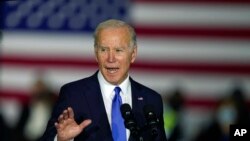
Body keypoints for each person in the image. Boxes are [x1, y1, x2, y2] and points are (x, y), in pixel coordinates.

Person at [41, 19, 167, 141]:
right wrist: (62, 139)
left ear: (133, 54)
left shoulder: (151, 100)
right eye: (104, 50)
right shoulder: (73, 94)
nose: (111, 58)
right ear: (96, 53)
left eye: (118, 50)